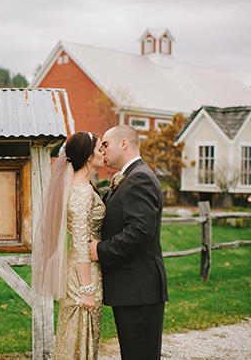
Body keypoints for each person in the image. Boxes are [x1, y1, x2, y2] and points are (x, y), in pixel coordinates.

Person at [89, 125, 168, 360]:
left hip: (140, 288)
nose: (103, 150)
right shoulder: (128, 177)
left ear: (124, 144)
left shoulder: (139, 177)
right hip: (132, 287)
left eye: (106, 144)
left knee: (140, 354)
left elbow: (141, 230)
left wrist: (101, 251)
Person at [33, 131, 106, 360]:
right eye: (99, 148)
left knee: (77, 337)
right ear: (87, 155)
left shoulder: (83, 187)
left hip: (79, 269)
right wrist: (87, 289)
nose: (104, 152)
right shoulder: (81, 192)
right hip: (83, 274)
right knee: (80, 338)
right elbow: (82, 241)